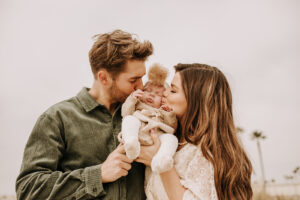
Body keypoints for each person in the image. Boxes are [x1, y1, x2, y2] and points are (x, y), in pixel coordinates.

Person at [15, 30, 153, 200]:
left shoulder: (145, 115)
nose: (141, 86)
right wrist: (97, 175)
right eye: (133, 80)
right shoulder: (57, 118)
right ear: (104, 78)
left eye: (142, 78)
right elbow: (28, 189)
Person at [136, 63, 253, 200]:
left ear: (196, 101)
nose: (164, 93)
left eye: (173, 91)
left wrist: (161, 162)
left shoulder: (206, 152)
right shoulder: (170, 138)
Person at [119, 64, 178, 173]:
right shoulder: (137, 105)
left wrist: (168, 113)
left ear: (163, 99)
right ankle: (131, 142)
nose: (151, 95)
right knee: (129, 120)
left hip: (157, 138)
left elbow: (172, 127)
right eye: (148, 90)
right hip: (138, 134)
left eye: (157, 94)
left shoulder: (162, 111)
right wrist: (132, 98)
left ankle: (162, 159)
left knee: (171, 139)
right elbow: (125, 113)